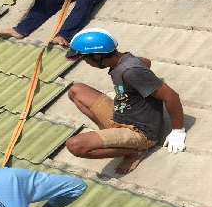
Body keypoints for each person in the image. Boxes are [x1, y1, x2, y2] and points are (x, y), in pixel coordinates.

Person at [64, 28, 186, 175]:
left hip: (140, 131)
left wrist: (178, 131)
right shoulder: (123, 60)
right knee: (76, 90)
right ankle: (111, 135)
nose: (86, 62)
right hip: (121, 114)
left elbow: (172, 96)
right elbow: (146, 62)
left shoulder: (130, 71)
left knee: (75, 146)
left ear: (97, 55)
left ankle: (136, 150)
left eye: (85, 59)